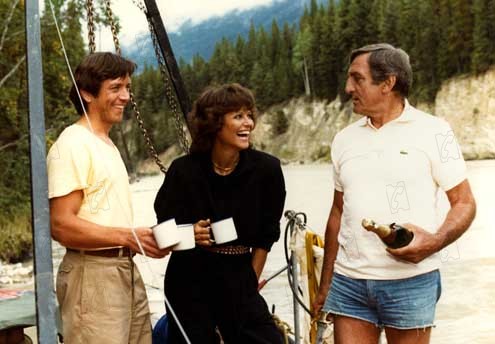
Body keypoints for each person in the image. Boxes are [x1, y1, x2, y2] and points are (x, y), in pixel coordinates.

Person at [313, 43, 476, 344]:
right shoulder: (343, 139)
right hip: (350, 282)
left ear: (388, 82)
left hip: (411, 282)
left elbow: (464, 202)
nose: (348, 88)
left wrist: (436, 241)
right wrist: (326, 284)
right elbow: (338, 213)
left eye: (357, 79)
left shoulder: (435, 131)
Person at [47, 52, 170, 343]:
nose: (126, 96)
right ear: (87, 94)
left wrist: (141, 239)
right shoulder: (73, 144)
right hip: (92, 276)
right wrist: (128, 237)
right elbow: (61, 225)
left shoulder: (105, 143)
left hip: (123, 270)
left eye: (127, 87)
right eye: (115, 88)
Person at [154, 83, 286, 344]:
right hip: (188, 278)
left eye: (249, 115)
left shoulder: (266, 170)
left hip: (240, 273)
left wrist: (249, 283)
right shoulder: (183, 171)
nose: (248, 122)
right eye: (238, 116)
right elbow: (162, 231)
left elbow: (266, 236)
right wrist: (189, 234)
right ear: (215, 123)